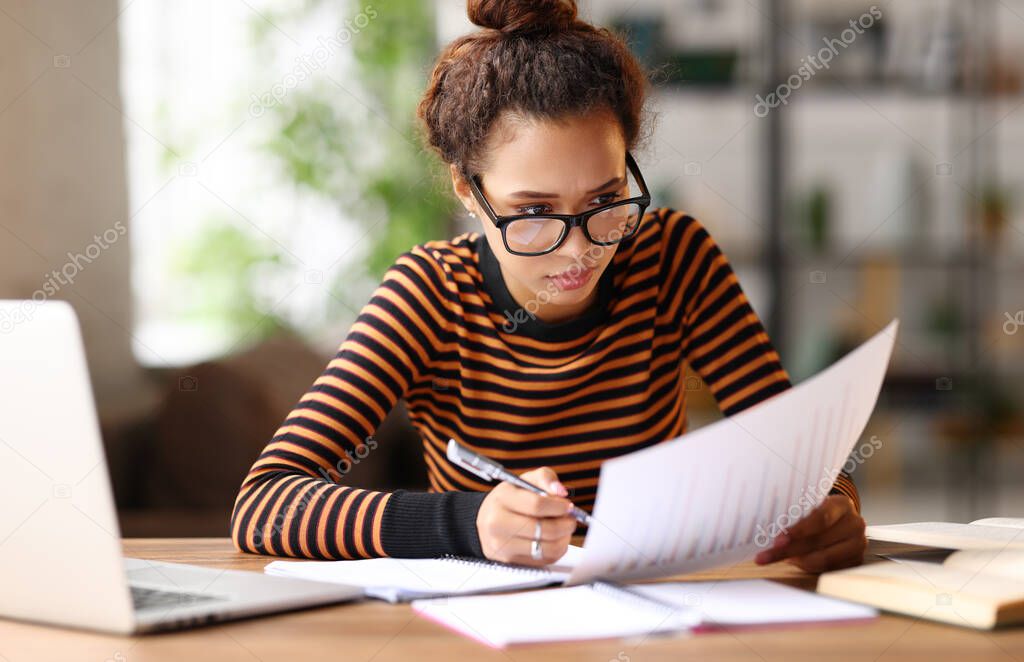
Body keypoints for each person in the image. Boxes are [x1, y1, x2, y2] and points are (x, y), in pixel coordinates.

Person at [230, 0, 866, 573]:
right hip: (485, 625)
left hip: (654, 613)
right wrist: (468, 522)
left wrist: (830, 507)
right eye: (534, 214)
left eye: (606, 200)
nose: (580, 249)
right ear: (468, 192)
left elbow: (802, 456)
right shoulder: (428, 295)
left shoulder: (673, 258)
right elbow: (264, 505)